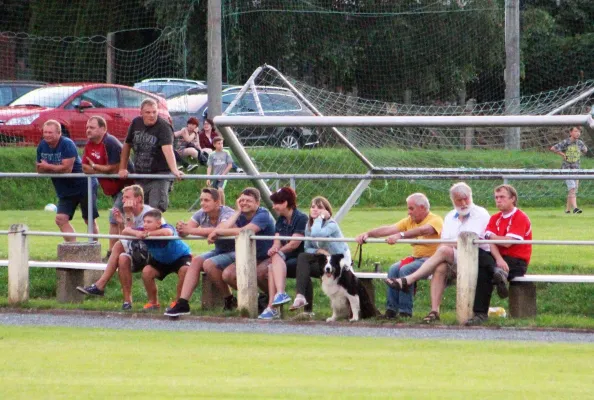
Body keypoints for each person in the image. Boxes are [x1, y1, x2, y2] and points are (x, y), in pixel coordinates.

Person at [385, 182, 490, 324]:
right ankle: (434, 311)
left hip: (476, 258)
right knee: (440, 267)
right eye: (459, 200)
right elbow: (445, 241)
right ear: (453, 200)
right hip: (451, 258)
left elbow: (469, 242)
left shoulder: (480, 213)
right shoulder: (450, 217)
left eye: (467, 199)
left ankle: (408, 282)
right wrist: (367, 234)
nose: (464, 203)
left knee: (441, 251)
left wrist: (402, 236)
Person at [355, 193, 443, 319]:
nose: (408, 212)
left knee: (405, 270)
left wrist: (400, 235)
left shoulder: (435, 220)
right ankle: (391, 310)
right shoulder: (409, 221)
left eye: (411, 208)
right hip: (416, 258)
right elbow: (389, 229)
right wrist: (368, 234)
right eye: (408, 208)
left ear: (422, 207)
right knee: (393, 269)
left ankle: (405, 311)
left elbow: (424, 230)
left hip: (432, 259)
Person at [76, 184, 154, 310]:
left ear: (139, 198)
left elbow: (132, 238)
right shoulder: (131, 213)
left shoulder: (149, 213)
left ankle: (100, 285)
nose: (123, 201)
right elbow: (128, 238)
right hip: (139, 252)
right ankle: (127, 302)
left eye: (127, 197)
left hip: (153, 253)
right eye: (123, 198)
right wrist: (121, 223)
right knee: (123, 258)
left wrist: (127, 216)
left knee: (118, 245)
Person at [466, 184, 532, 325]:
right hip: (499, 260)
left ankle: (480, 313)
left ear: (512, 199)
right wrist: (499, 259)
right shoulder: (494, 218)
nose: (498, 200)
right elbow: (491, 243)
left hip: (517, 261)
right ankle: (480, 314)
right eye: (496, 197)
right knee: (479, 255)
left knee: (484, 271)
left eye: (502, 197)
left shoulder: (520, 217)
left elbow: (508, 243)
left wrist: (493, 238)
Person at [164, 188, 235, 317]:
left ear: (217, 202)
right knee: (196, 261)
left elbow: (218, 230)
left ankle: (229, 298)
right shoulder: (201, 213)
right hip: (220, 250)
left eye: (206, 200)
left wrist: (189, 230)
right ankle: (183, 303)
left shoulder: (228, 213)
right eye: (201, 200)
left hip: (238, 250)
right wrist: (181, 228)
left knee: (209, 264)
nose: (202, 203)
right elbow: (187, 229)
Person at [202, 187, 275, 311]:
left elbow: (245, 231)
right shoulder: (240, 215)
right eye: (242, 200)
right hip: (249, 256)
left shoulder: (263, 214)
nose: (244, 203)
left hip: (268, 256)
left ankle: (272, 298)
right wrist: (236, 212)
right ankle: (255, 299)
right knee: (228, 275)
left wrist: (218, 232)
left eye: (248, 201)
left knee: (259, 273)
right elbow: (226, 226)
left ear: (257, 203)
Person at [36, 119, 99, 242]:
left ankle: (93, 250)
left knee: (89, 220)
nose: (47, 135)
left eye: (50, 133)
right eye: (45, 132)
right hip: (65, 189)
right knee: (60, 219)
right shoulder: (42, 146)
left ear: (59, 133)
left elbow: (67, 169)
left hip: (83, 185)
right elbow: (39, 169)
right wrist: (53, 168)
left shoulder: (67, 144)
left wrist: (48, 167)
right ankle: (73, 250)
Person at [82, 116, 134, 260]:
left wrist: (96, 167)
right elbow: (85, 167)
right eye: (87, 127)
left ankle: (113, 253)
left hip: (126, 187)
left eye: (92, 127)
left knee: (115, 217)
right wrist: (100, 169)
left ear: (103, 129)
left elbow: (116, 168)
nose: (88, 130)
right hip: (113, 188)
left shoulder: (109, 142)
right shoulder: (90, 144)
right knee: (120, 219)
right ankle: (123, 251)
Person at [289, 196, 351, 318]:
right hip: (324, 263)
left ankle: (307, 308)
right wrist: (319, 250)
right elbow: (307, 247)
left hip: (339, 264)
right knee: (303, 261)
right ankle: (302, 300)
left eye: (320, 208)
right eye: (313, 207)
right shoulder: (309, 226)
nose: (315, 209)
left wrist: (320, 218)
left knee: (303, 264)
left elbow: (317, 234)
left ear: (327, 211)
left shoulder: (331, 224)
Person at [118, 98, 183, 212]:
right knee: (137, 211)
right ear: (141, 113)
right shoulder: (136, 123)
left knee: (154, 211)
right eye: (148, 112)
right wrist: (122, 168)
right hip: (140, 175)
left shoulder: (163, 126)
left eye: (154, 112)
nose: (152, 115)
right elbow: (127, 145)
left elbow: (168, 149)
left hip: (159, 175)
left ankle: (159, 229)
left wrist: (174, 170)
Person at [121, 209, 191, 310]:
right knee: (147, 272)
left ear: (158, 223)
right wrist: (137, 233)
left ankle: (178, 302)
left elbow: (167, 233)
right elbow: (125, 231)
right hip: (160, 260)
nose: (145, 224)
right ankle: (153, 303)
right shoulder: (142, 231)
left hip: (180, 257)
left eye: (149, 222)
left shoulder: (166, 227)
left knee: (185, 270)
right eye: (144, 221)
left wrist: (148, 234)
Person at [257, 187, 308, 320]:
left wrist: (277, 251)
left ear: (285, 203)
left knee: (274, 262)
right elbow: (277, 241)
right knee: (271, 265)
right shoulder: (280, 219)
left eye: (276, 203)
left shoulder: (301, 218)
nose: (274, 207)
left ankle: (274, 305)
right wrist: (273, 248)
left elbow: (294, 244)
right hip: (286, 257)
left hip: (301, 258)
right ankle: (275, 301)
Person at [550, 126, 588, 214]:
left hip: (576, 169)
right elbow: (553, 148)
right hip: (567, 169)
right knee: (572, 188)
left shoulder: (580, 143)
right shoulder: (566, 142)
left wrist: (578, 153)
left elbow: (585, 150)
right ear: (570, 132)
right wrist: (562, 154)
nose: (578, 133)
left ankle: (567, 210)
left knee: (573, 190)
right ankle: (575, 208)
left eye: (579, 132)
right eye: (575, 131)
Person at [206, 136, 233, 205]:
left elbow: (230, 165)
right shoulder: (212, 154)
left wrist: (223, 175)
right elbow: (209, 166)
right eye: (219, 143)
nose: (221, 145)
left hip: (224, 176)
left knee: (220, 190)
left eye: (222, 143)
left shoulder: (226, 152)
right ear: (214, 144)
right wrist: (208, 178)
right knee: (215, 193)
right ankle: (217, 206)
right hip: (215, 176)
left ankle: (223, 207)